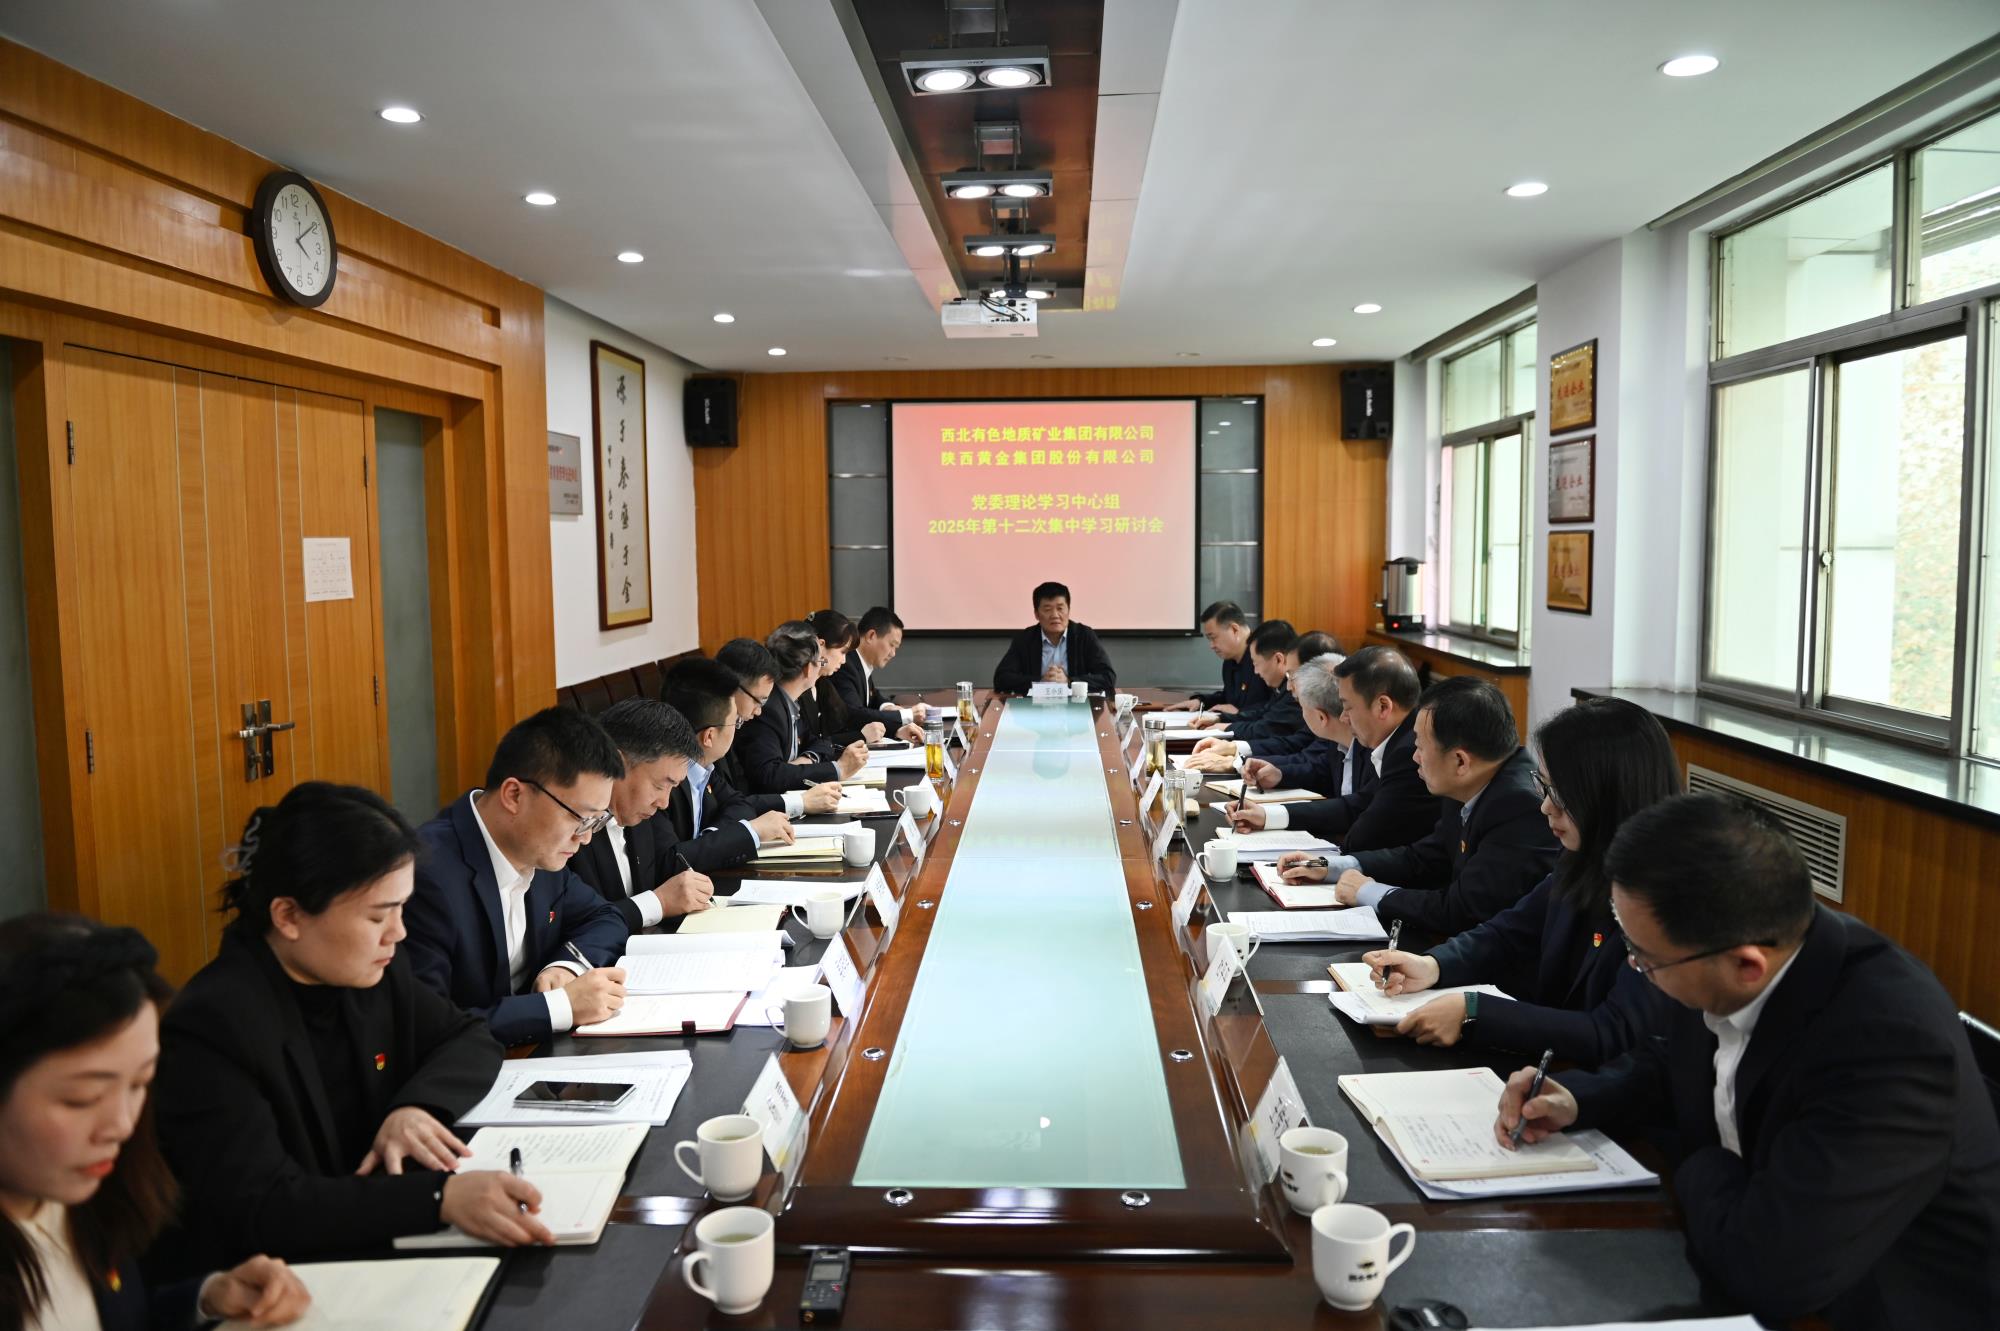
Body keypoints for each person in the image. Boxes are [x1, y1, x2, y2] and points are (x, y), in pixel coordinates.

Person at [1496, 794, 2000, 1331]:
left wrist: (1698, 1160)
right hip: (1739, 1254)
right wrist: (1578, 1098)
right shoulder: (1729, 948)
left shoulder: (1890, 1047)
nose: (1636, 966)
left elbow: (1770, 1271)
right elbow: (1676, 1059)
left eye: (1644, 959)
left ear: (1747, 966)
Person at [154, 784, 554, 1280]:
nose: (398, 933)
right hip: (282, 1280)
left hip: (371, 1243)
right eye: (378, 916)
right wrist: (438, 1199)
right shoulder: (213, 1024)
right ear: (289, 915)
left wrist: (417, 1108)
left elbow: (468, 1035)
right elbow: (265, 1206)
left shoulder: (370, 972)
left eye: (402, 909)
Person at [0, 914, 311, 1330]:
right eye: (83, 1098)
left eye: (140, 1083)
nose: (122, 1125)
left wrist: (208, 1297)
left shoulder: (83, 1196)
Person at [1356, 697, 1680, 1063]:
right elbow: (1508, 931)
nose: (1545, 806)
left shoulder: (1665, 894)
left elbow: (1611, 1032)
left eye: (1558, 793)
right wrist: (1433, 966)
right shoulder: (1582, 854)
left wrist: (1475, 1010)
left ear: (1606, 794)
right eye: (1544, 786)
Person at [404, 708, 631, 1046]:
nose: (585, 838)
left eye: (596, 822)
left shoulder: (539, 852)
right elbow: (428, 1026)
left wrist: (565, 966)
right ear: (514, 795)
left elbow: (605, 917)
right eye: (579, 818)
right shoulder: (426, 876)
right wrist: (559, 1007)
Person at [1276, 676, 1557, 936]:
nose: (1415, 758)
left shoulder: (1520, 807)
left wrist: (1368, 891)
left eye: (1421, 747)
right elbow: (1423, 857)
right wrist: (1330, 867)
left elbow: (1461, 911)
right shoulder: (1472, 781)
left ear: (1460, 761)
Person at [1229, 646, 1438, 853]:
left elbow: (1361, 837)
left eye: (1347, 706)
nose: (1343, 717)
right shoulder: (1391, 740)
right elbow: (1357, 804)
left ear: (1383, 707)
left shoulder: (1406, 753)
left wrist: (1322, 861)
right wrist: (1268, 816)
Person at [570, 698, 719, 932]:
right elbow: (577, 924)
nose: (664, 802)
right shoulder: (570, 827)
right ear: (617, 764)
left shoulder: (642, 814)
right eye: (660, 786)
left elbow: (673, 867)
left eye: (673, 788)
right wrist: (658, 903)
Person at [654, 658, 806, 873]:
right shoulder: (662, 782)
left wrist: (716, 837)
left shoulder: (704, 766)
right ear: (709, 736)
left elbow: (738, 803)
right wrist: (750, 831)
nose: (737, 728)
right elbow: (670, 862)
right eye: (735, 722)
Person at [708, 644, 841, 822]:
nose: (759, 711)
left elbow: (819, 740)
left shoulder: (740, 723)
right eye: (759, 700)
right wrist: (800, 802)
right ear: (732, 688)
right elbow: (737, 801)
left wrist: (807, 760)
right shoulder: (715, 737)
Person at [735, 622, 869, 793]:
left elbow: (821, 742)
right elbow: (770, 775)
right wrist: (838, 769)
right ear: (808, 669)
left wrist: (804, 760)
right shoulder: (768, 709)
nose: (821, 667)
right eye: (820, 661)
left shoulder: (792, 700)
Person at [991, 581, 1117, 695]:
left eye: (1060, 608)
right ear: (1036, 614)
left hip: (1076, 706)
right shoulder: (1024, 639)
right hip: (1034, 708)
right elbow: (1001, 678)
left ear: (1069, 610)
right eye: (1047, 609)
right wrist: (1040, 681)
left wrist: (1069, 681)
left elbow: (1108, 677)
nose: (1055, 615)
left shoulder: (1084, 635)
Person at [822, 607, 928, 739]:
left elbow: (873, 698)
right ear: (871, 636)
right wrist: (908, 714)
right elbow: (855, 714)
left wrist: (889, 707)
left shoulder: (860, 663)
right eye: (892, 645)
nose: (893, 654)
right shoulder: (845, 665)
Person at [1191, 620, 1300, 745]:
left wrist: (1228, 727)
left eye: (1256, 664)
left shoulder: (1296, 689)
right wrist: (1220, 718)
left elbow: (1268, 728)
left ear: (1278, 660)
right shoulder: (1282, 686)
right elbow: (1263, 714)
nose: (1256, 671)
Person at [1165, 601, 1270, 714]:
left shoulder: (1267, 655)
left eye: (1213, 638)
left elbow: (1278, 706)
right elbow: (1228, 699)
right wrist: (1200, 702)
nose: (1212, 646)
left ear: (1234, 630)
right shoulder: (1230, 661)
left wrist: (1241, 712)